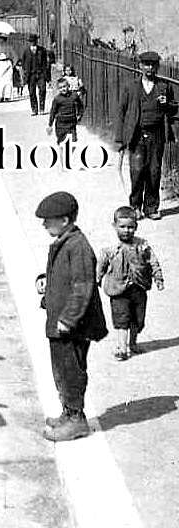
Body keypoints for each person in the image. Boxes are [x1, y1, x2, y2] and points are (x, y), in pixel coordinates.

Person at [34, 191, 107, 442]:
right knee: (62, 369)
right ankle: (68, 412)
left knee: (71, 371)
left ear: (64, 220)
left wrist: (68, 319)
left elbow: (83, 287)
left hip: (72, 326)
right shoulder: (64, 241)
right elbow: (62, 278)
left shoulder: (78, 246)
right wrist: (46, 286)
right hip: (62, 323)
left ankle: (76, 420)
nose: (44, 224)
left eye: (48, 220)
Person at [114, 50, 176, 220]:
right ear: (140, 66)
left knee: (154, 171)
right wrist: (120, 139)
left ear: (157, 66)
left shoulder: (164, 87)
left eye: (153, 65)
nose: (150, 68)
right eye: (146, 64)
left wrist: (167, 105)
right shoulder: (131, 87)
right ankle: (135, 207)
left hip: (157, 134)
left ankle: (151, 208)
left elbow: (174, 109)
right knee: (137, 170)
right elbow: (121, 112)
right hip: (136, 134)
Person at [97, 206, 165, 360]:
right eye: (122, 227)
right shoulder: (110, 248)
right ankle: (121, 347)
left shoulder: (142, 245)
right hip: (118, 289)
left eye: (130, 227)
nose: (126, 230)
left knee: (137, 318)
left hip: (139, 288)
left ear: (136, 227)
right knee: (122, 319)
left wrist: (158, 277)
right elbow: (101, 264)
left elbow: (152, 261)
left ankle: (133, 343)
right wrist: (98, 279)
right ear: (114, 226)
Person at [19, 34, 54, 115]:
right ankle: (34, 109)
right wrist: (25, 73)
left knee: (42, 90)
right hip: (31, 75)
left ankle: (42, 108)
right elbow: (23, 63)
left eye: (34, 41)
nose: (32, 43)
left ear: (37, 41)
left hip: (41, 74)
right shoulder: (26, 51)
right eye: (31, 41)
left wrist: (47, 77)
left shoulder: (42, 50)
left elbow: (46, 63)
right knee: (32, 92)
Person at [47, 77, 84, 144]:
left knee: (73, 142)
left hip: (71, 123)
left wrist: (79, 115)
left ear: (68, 86)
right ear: (58, 89)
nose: (63, 89)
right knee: (62, 142)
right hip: (61, 124)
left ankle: (68, 153)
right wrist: (50, 125)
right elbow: (53, 112)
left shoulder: (74, 96)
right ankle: (62, 154)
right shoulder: (57, 99)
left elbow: (80, 105)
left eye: (64, 86)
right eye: (60, 88)